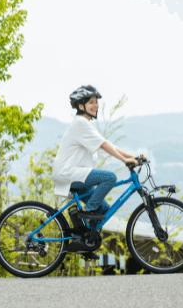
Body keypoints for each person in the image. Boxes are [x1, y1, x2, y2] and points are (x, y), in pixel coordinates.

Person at [52, 85, 142, 258]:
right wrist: (125, 160)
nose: (96, 106)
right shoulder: (80, 123)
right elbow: (104, 145)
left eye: (97, 102)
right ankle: (88, 213)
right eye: (91, 102)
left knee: (104, 210)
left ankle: (84, 243)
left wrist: (133, 157)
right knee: (109, 177)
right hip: (69, 174)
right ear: (81, 106)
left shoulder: (84, 125)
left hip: (77, 175)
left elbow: (107, 145)